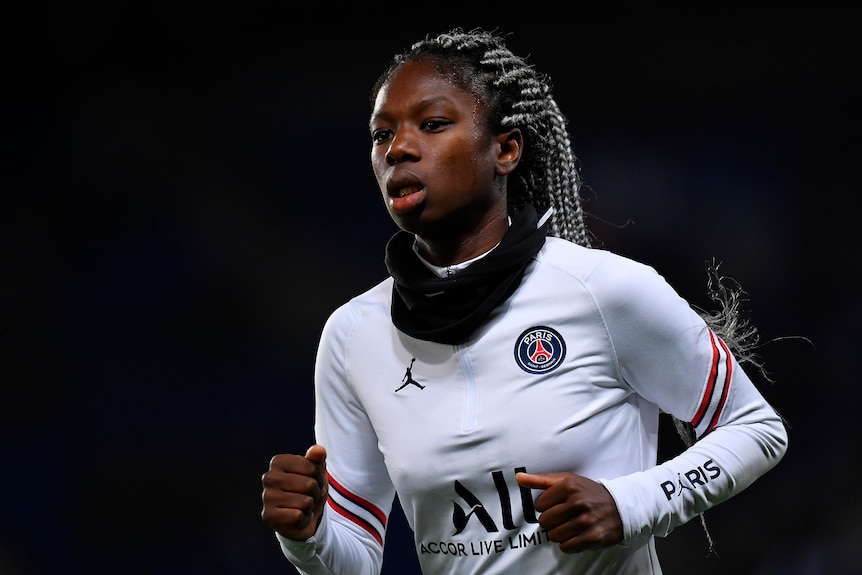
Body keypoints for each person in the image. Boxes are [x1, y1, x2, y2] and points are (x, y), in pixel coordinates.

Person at [260, 28, 788, 575]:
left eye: (433, 124)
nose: (398, 149)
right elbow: (356, 559)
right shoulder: (354, 336)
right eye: (381, 134)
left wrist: (628, 505)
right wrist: (309, 535)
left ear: (505, 150)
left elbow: (755, 429)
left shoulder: (603, 290)